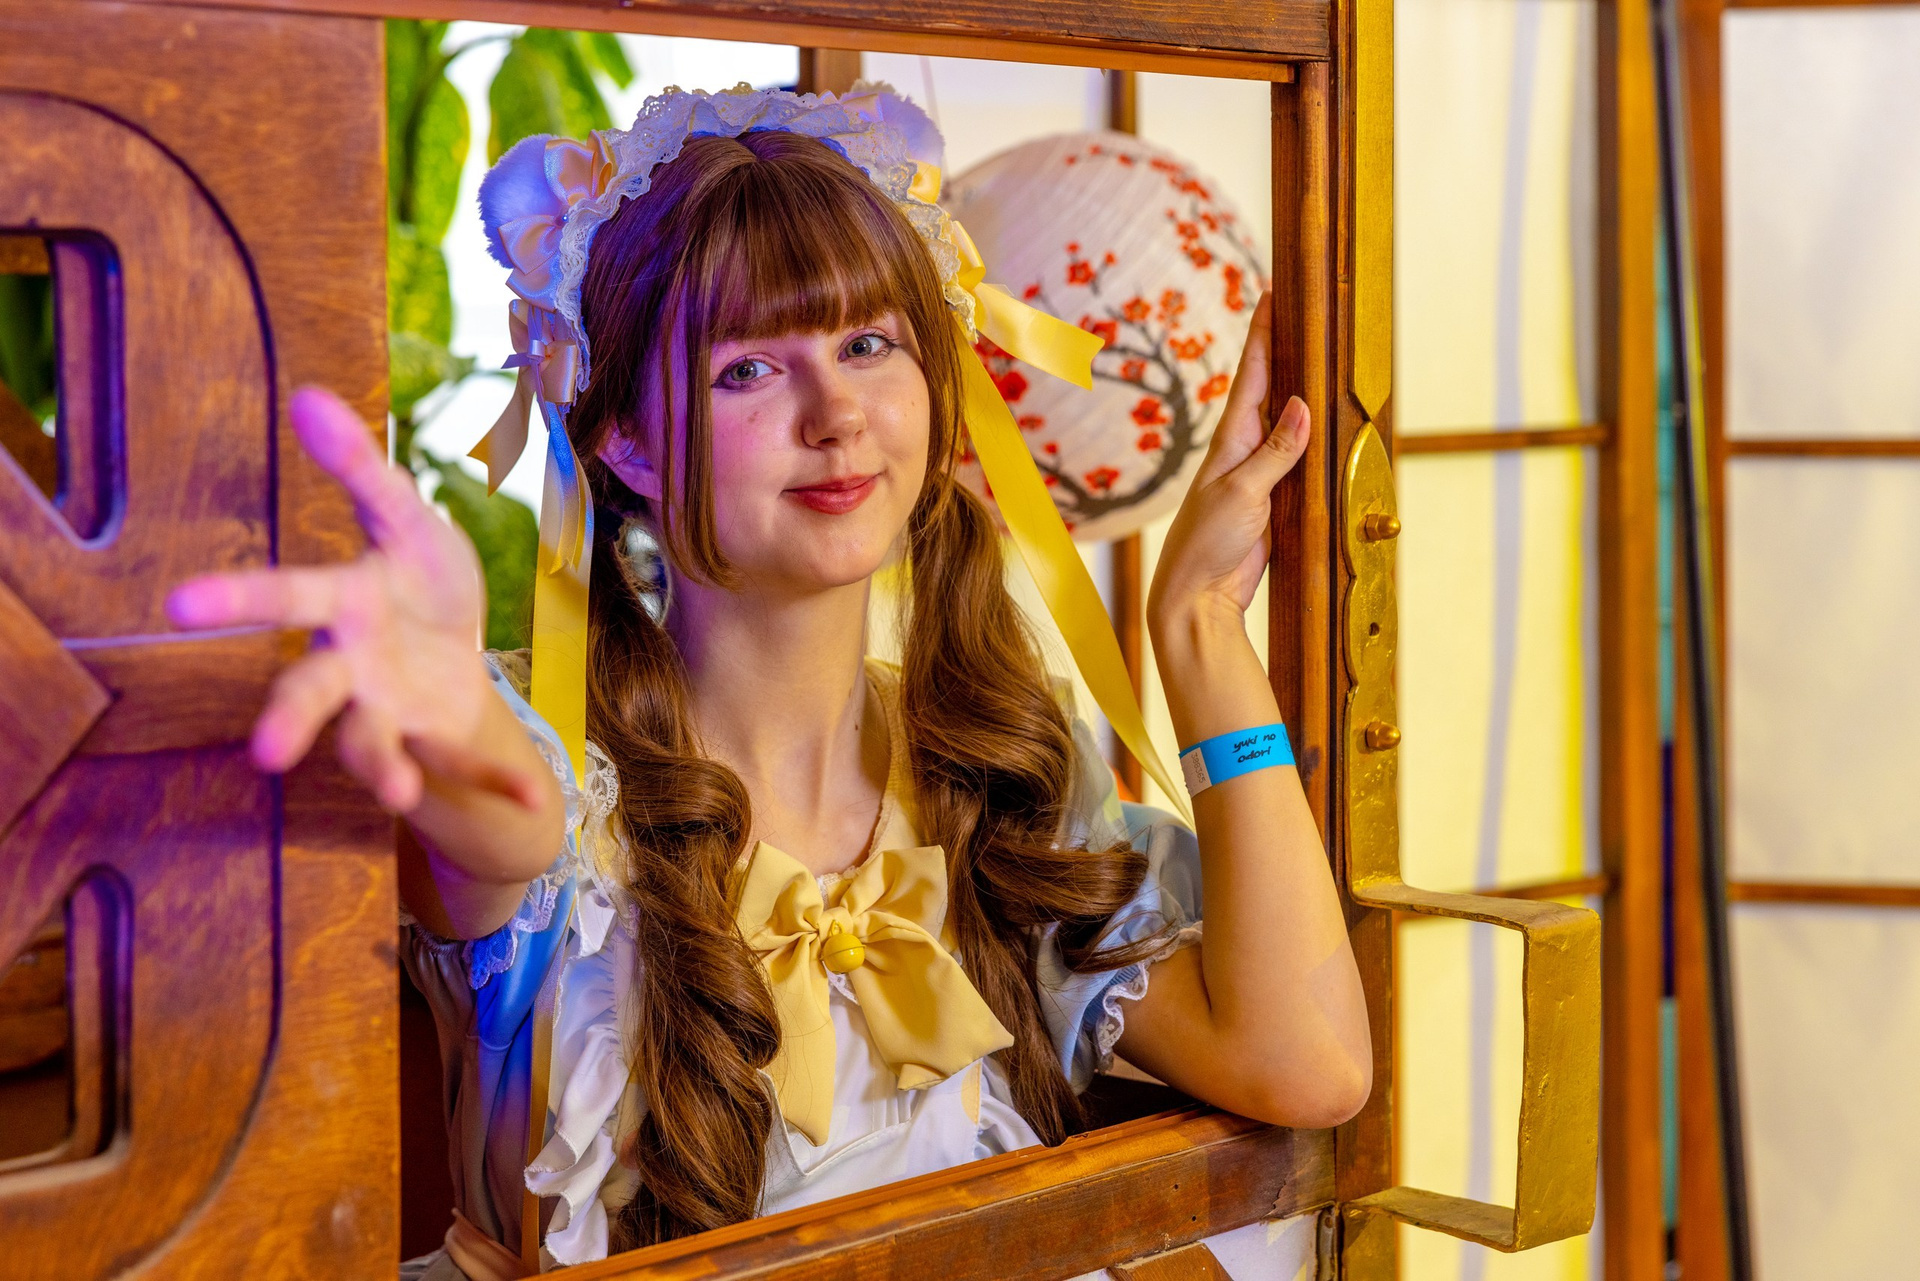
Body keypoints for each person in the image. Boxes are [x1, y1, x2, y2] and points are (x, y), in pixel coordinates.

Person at [165, 86, 1369, 1278]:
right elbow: (501, 819)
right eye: (747, 368)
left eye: (868, 344)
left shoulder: (990, 760)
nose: (836, 413)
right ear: (625, 437)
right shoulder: (555, 777)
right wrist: (439, 704)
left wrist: (1202, 632)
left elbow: (1308, 1066)